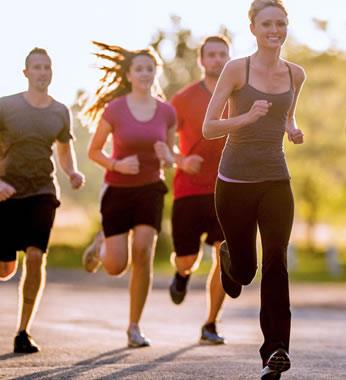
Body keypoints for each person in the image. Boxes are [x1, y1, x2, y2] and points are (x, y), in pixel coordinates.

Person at [202, 1, 305, 378]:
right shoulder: (236, 69)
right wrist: (246, 117)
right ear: (253, 28)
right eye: (267, 23)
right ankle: (231, 258)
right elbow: (209, 127)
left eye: (280, 23)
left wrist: (292, 129)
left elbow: (288, 115)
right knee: (246, 273)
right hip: (234, 182)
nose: (274, 29)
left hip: (276, 179)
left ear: (286, 27)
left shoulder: (296, 74)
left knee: (276, 260)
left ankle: (275, 349)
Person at [81, 41, 177, 348]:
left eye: (150, 68)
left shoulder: (166, 111)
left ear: (155, 73)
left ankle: (134, 326)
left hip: (150, 189)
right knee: (116, 267)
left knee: (143, 252)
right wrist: (116, 164)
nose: (145, 73)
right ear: (129, 74)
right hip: (118, 189)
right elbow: (93, 151)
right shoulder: (116, 109)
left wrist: (168, 155)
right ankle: (101, 247)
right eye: (139, 69)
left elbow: (171, 155)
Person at [0, 48, 85, 353]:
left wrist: (72, 172)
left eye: (47, 67)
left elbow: (64, 149)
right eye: (36, 67)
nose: (42, 72)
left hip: (42, 192)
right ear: (26, 73)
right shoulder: (5, 107)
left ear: (52, 71)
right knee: (5, 269)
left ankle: (23, 331)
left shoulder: (60, 111)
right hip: (7, 192)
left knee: (36, 256)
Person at [167, 35, 231, 345]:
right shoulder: (182, 99)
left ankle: (211, 322)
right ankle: (182, 274)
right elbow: (161, 142)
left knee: (224, 255)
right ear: (202, 61)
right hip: (188, 190)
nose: (217, 60)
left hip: (226, 189)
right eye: (212, 55)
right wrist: (180, 159)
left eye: (223, 55)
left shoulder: (238, 96)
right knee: (187, 258)